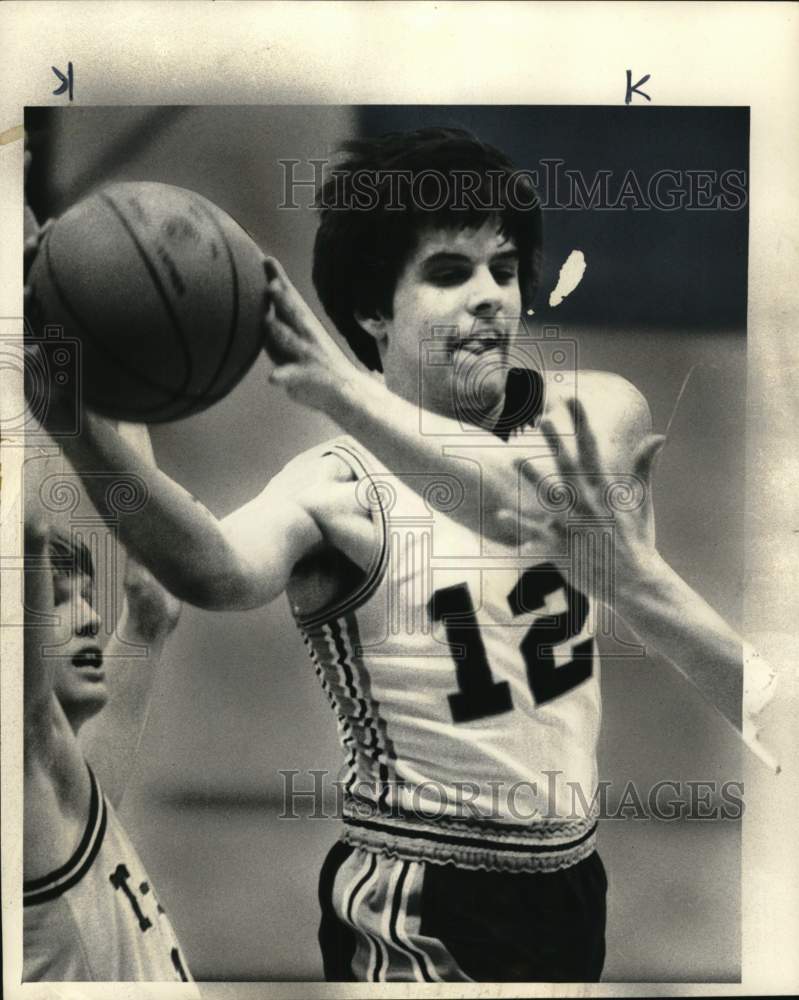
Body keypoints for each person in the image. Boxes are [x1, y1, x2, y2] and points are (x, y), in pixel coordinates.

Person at [33, 127, 776, 982]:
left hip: (569, 877)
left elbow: (519, 501)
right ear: (371, 313)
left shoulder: (591, 411)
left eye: (502, 268)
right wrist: (68, 418)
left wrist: (345, 391)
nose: (490, 296)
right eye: (450, 273)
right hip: (419, 888)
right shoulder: (332, 482)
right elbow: (214, 570)